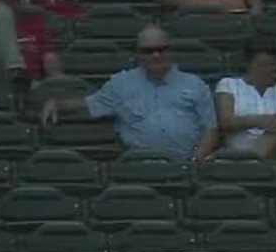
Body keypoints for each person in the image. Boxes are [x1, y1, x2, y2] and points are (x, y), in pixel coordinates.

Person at [39, 25, 221, 164]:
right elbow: (88, 104)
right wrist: (56, 104)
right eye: (148, 51)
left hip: (186, 165)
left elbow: (210, 128)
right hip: (138, 167)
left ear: (170, 50)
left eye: (161, 49)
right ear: (138, 54)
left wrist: (195, 162)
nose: (155, 55)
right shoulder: (121, 84)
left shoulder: (195, 84)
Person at [214, 35, 276, 157]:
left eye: (272, 64)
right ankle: (253, 162)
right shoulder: (229, 84)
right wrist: (262, 121)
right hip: (235, 152)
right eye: (263, 65)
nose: (269, 69)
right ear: (249, 64)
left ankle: (254, 162)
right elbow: (226, 122)